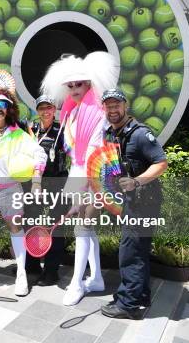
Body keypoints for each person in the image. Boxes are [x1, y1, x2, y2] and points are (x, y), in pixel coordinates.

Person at [40, 52, 118, 306]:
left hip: (97, 175)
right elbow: (75, 155)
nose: (74, 89)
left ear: (90, 84)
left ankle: (76, 283)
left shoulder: (99, 112)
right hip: (78, 173)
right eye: (70, 85)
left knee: (81, 228)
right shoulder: (71, 114)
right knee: (86, 229)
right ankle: (95, 279)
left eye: (79, 84)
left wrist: (87, 185)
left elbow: (101, 151)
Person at [100, 88, 168, 319]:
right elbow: (113, 168)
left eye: (116, 105)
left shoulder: (140, 134)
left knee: (130, 251)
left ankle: (128, 305)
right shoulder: (110, 134)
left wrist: (137, 182)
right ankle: (141, 296)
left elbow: (161, 163)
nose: (112, 110)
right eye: (108, 106)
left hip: (144, 201)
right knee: (139, 250)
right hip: (128, 202)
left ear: (125, 106)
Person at [0, 85, 47, 296]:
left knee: (15, 228)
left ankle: (21, 274)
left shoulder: (18, 134)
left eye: (2, 105)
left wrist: (36, 181)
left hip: (9, 190)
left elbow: (40, 154)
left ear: (9, 109)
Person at [24, 95, 69, 286]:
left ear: (54, 109)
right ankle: (32, 264)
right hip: (34, 184)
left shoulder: (63, 131)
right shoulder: (30, 130)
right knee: (31, 223)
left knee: (54, 227)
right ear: (37, 110)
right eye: (42, 108)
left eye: (49, 108)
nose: (45, 111)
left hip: (57, 183)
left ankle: (51, 272)